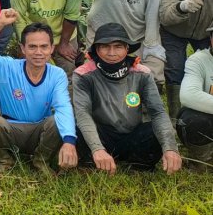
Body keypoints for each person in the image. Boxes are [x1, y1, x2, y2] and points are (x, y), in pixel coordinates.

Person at [0, 9, 77, 174]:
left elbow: (63, 106)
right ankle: (5, 158)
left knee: (57, 120)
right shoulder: (6, 67)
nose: (38, 52)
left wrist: (69, 141)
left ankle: (41, 159)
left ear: (52, 48)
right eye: (32, 46)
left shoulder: (57, 74)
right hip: (11, 129)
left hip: (40, 130)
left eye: (44, 46)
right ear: (22, 48)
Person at [73, 23, 181, 174]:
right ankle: (93, 161)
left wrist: (170, 148)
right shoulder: (83, 75)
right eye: (105, 47)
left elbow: (158, 112)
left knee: (156, 130)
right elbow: (82, 113)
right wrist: (97, 148)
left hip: (132, 135)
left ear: (127, 49)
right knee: (75, 124)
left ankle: (139, 165)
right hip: (101, 134)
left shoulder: (142, 73)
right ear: (97, 49)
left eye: (118, 46)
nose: (111, 53)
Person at [159, 0, 213, 121]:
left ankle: (204, 109)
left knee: (209, 68)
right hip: (173, 30)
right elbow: (165, 16)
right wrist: (183, 7)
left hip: (206, 32)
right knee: (175, 69)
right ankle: (176, 118)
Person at [177, 24, 213, 169]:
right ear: (210, 39)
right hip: (209, 120)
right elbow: (188, 95)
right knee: (193, 119)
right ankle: (202, 160)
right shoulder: (198, 60)